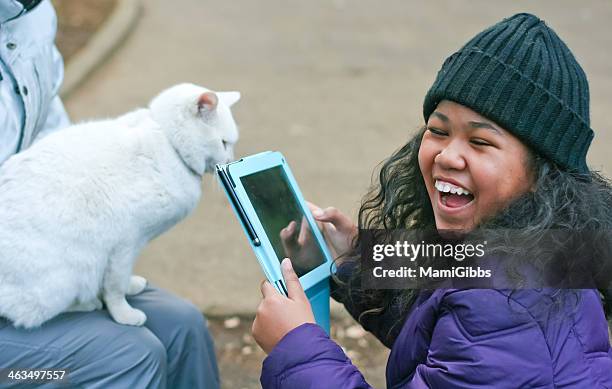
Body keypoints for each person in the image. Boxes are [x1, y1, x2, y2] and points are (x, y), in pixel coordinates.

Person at [252, 13, 612, 388]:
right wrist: (357, 258)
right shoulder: (529, 252)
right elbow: (438, 325)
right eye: (438, 131)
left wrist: (295, 350)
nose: (447, 157)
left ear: (542, 175)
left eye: (480, 142)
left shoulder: (505, 304)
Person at [0, 1, 219, 387]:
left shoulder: (30, 16)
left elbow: (56, 140)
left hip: (35, 258)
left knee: (182, 326)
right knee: (128, 356)